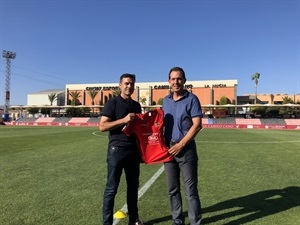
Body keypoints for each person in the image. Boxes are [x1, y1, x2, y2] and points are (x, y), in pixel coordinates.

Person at [99, 73, 144, 225]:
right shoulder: (112, 103)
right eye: (126, 83)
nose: (129, 86)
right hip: (116, 150)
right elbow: (102, 126)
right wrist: (123, 120)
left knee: (133, 188)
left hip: (133, 151)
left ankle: (134, 220)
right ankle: (107, 223)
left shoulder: (136, 105)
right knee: (111, 189)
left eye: (131, 84)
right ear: (120, 85)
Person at [162, 66, 203, 225]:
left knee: (190, 192)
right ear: (168, 81)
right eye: (173, 79)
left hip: (186, 150)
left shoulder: (192, 99)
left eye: (179, 78)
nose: (175, 82)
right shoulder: (165, 101)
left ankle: (195, 223)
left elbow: (197, 125)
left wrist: (181, 144)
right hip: (169, 150)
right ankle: (177, 221)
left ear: (184, 81)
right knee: (172, 190)